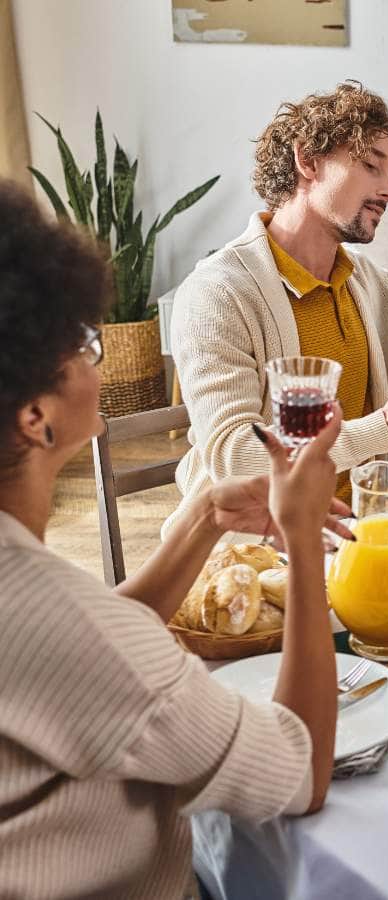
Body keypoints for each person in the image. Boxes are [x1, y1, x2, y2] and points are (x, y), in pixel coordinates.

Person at [0, 179, 347, 897]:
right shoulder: (60, 620)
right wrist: (305, 544)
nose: (98, 358)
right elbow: (300, 772)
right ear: (36, 417)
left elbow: (86, 642)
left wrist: (198, 521)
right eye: (85, 343)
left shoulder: (40, 600)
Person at [170, 81, 388, 520]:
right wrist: (384, 430)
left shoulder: (363, 282)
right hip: (258, 544)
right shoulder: (218, 293)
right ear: (307, 160)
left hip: (363, 530)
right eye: (372, 166)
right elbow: (233, 456)